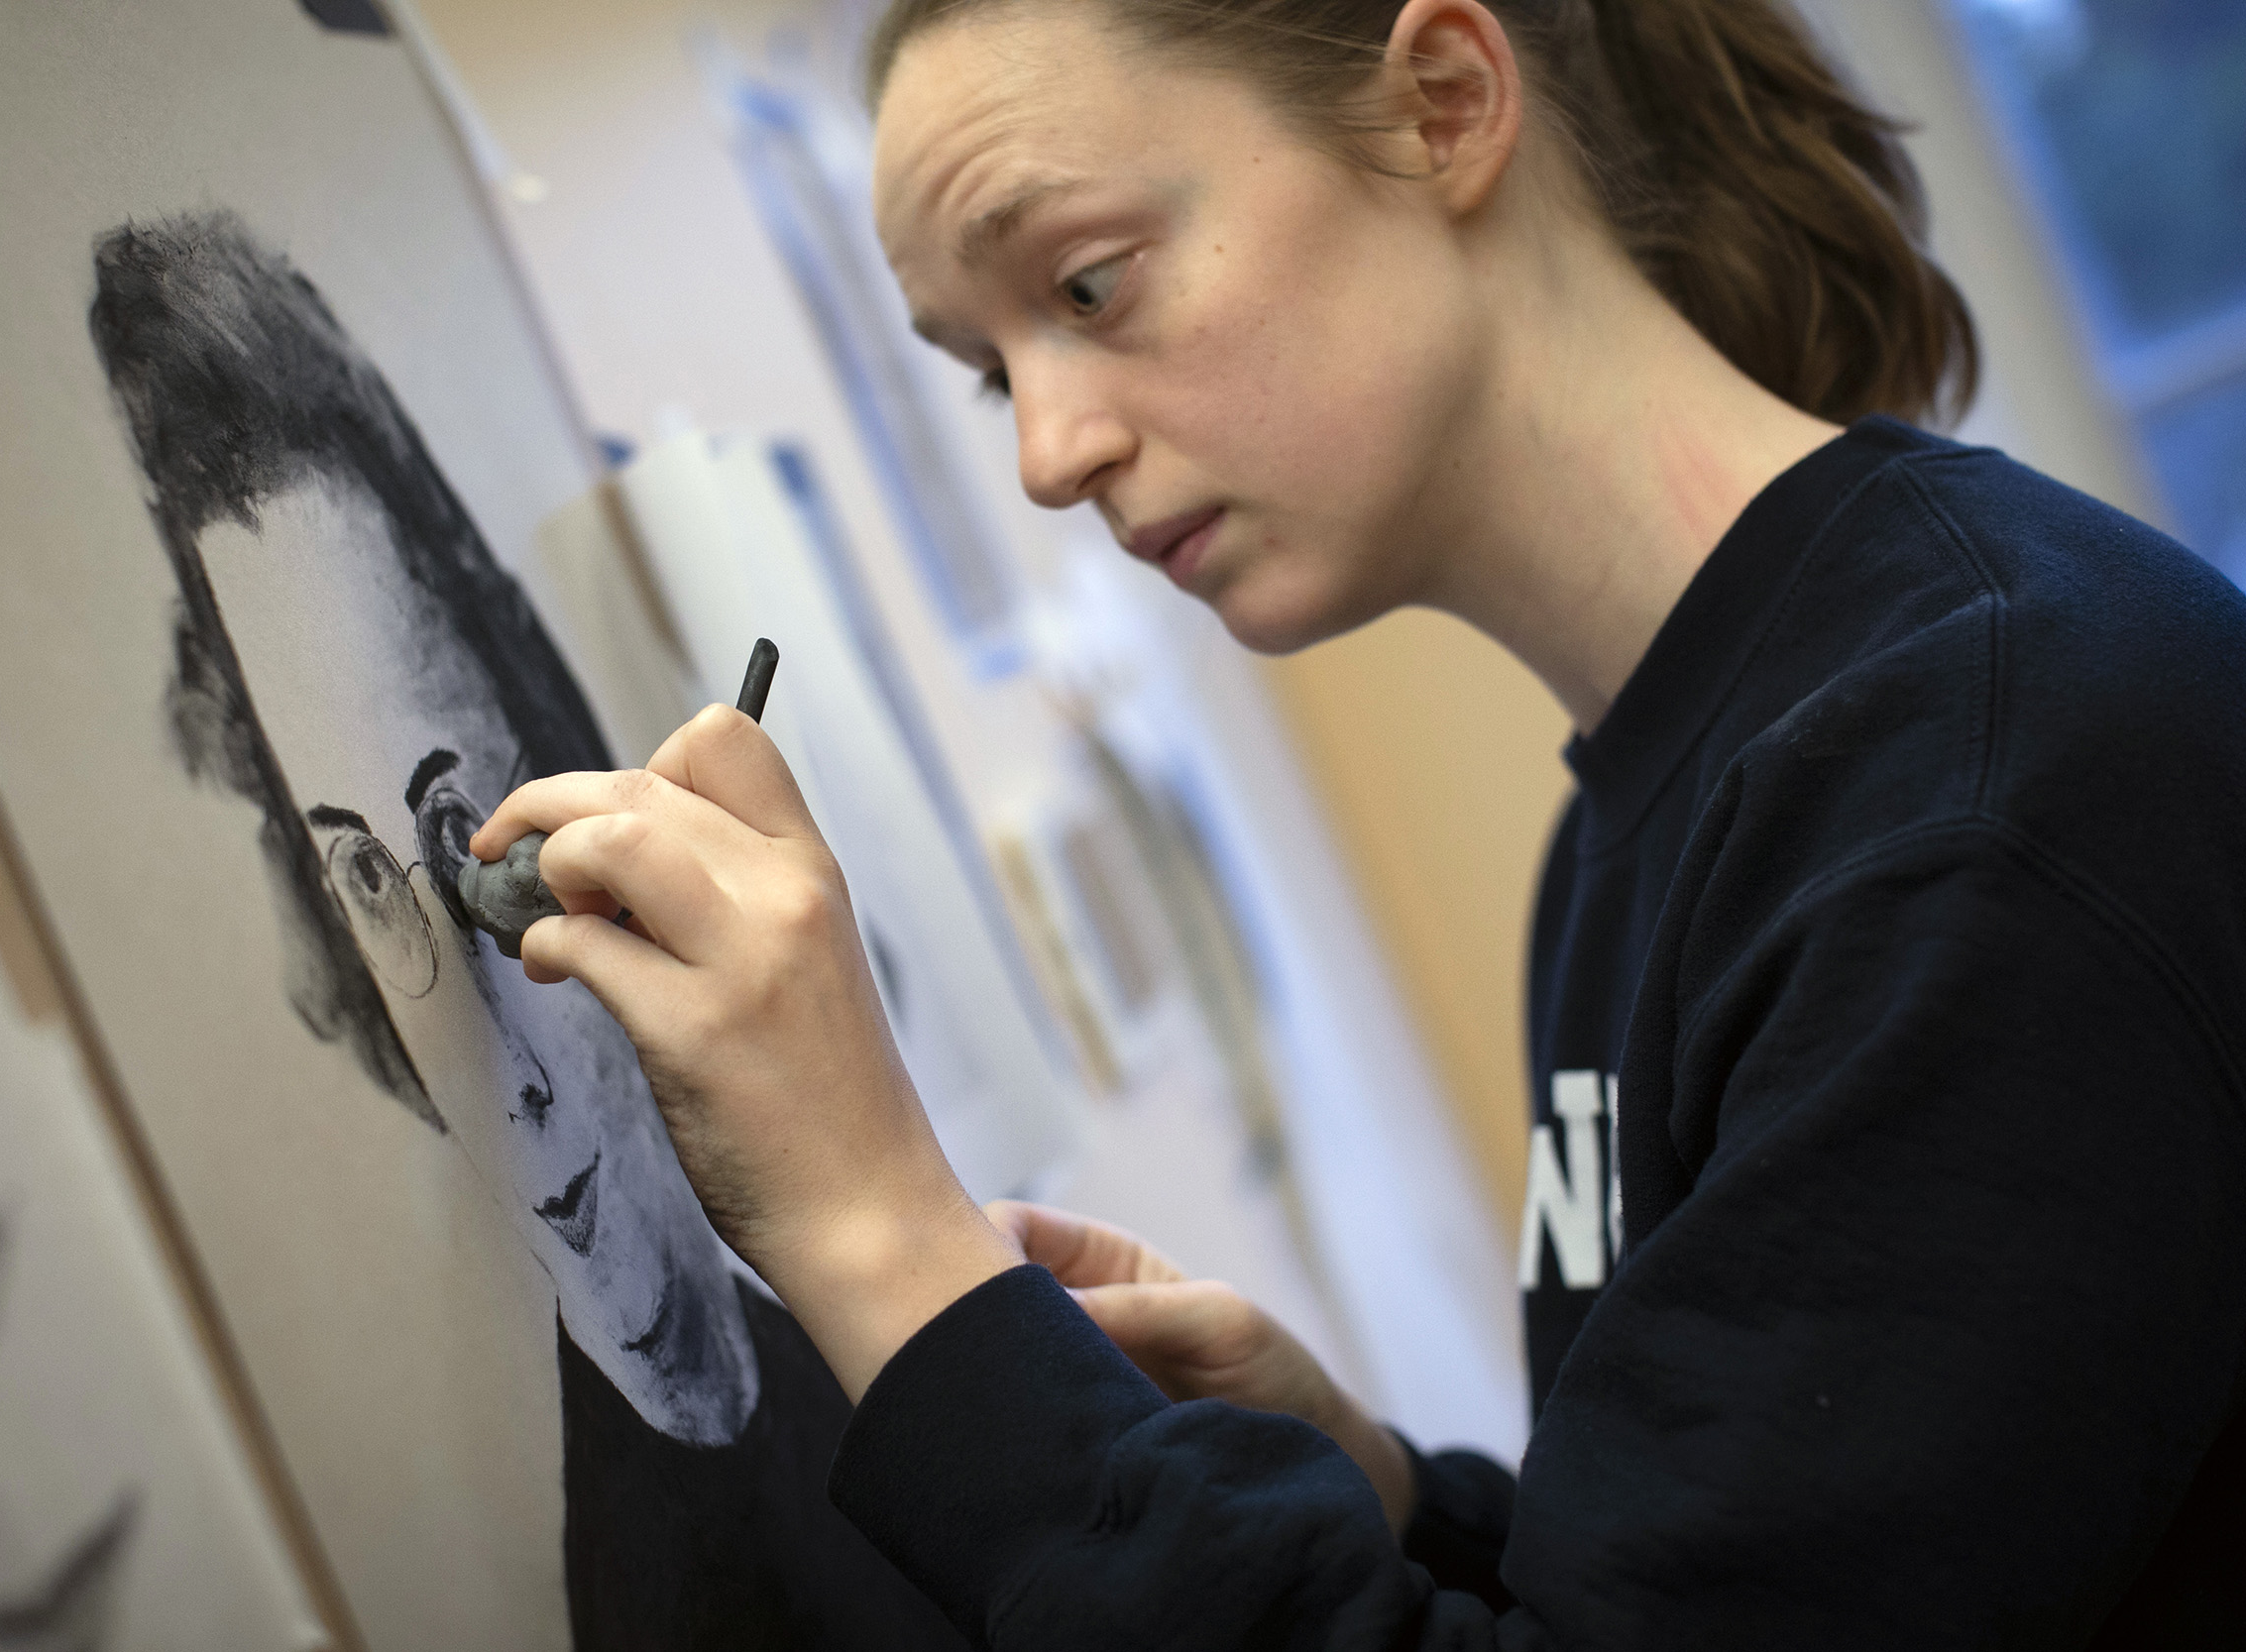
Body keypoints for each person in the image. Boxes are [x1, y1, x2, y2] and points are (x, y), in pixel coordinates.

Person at [473, 0, 2246, 1644]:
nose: (1047, 452)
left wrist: (881, 1235)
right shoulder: (1654, 823)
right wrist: (1388, 1497)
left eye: (1085, 286)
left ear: (1445, 105)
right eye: (993, 370)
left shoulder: (1983, 795)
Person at [89, 212, 964, 1646]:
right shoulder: (636, 1594)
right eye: (366, 880)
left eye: (465, 833)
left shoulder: (888, 1358)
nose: (508, 1066)